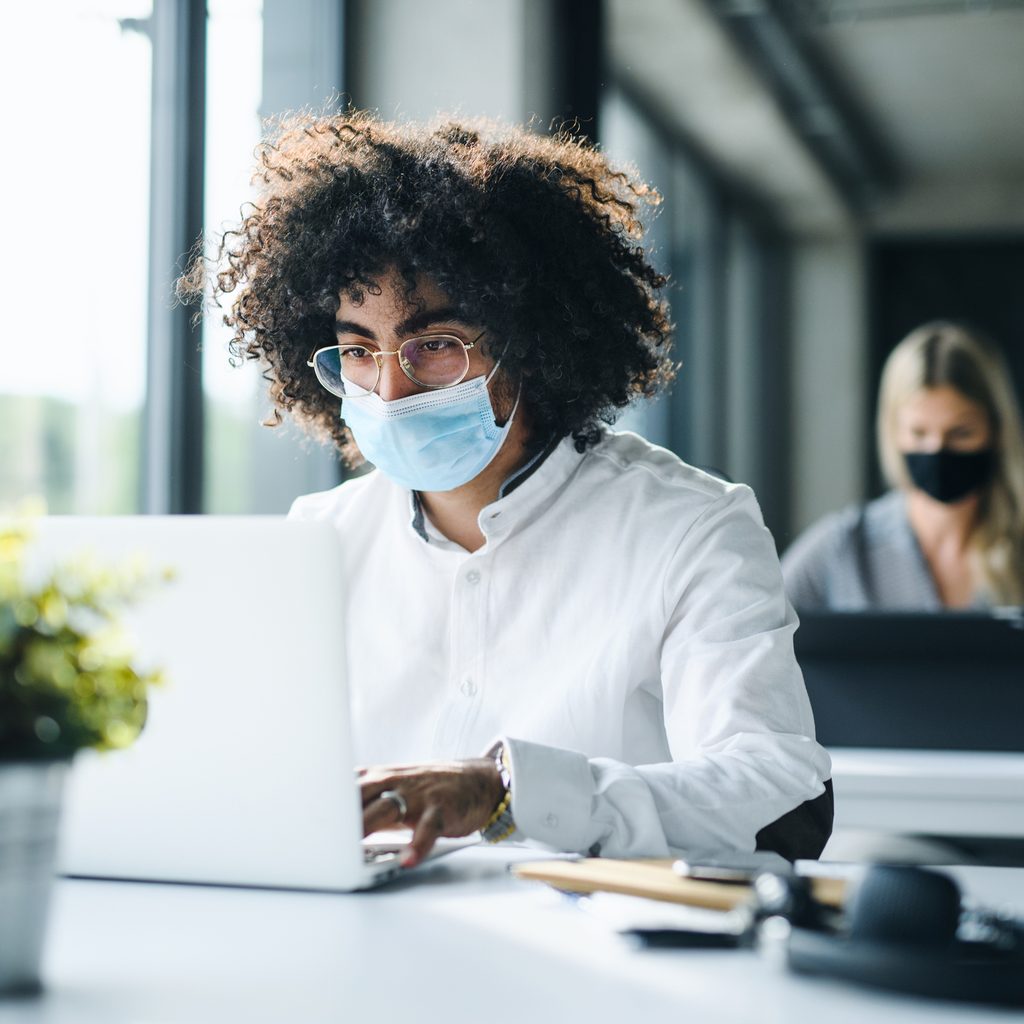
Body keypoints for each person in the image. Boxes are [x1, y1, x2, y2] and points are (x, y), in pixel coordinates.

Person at [185, 111, 832, 867]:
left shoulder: (689, 529)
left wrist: (507, 791)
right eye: (359, 350)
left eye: (435, 345)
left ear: (532, 341)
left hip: (602, 961)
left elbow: (779, 795)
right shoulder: (314, 543)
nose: (389, 388)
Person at [782, 322, 1024, 611]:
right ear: (894, 431)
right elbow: (750, 633)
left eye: (961, 433)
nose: (937, 450)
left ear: (996, 430)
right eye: (919, 433)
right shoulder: (844, 549)